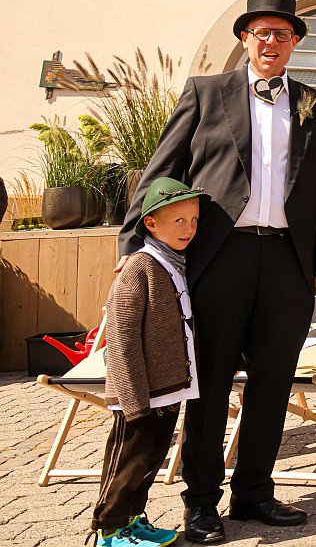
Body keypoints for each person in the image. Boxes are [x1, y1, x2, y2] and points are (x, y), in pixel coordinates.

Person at [121, 0, 316, 543]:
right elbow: (157, 176)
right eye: (262, 32)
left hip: (290, 263)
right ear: (245, 38)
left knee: (273, 380)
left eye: (283, 33)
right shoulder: (206, 93)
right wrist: (132, 255)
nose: (271, 41)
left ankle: (254, 492)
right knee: (210, 383)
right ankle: (201, 503)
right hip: (219, 258)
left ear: (295, 42)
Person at [94, 178, 206, 547]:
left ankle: (133, 519)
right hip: (140, 397)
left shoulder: (176, 264)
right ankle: (109, 531)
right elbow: (123, 339)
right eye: (179, 221)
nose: (189, 229)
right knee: (126, 464)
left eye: (193, 220)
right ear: (152, 224)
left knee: (149, 462)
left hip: (168, 390)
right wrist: (133, 400)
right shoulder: (139, 268)